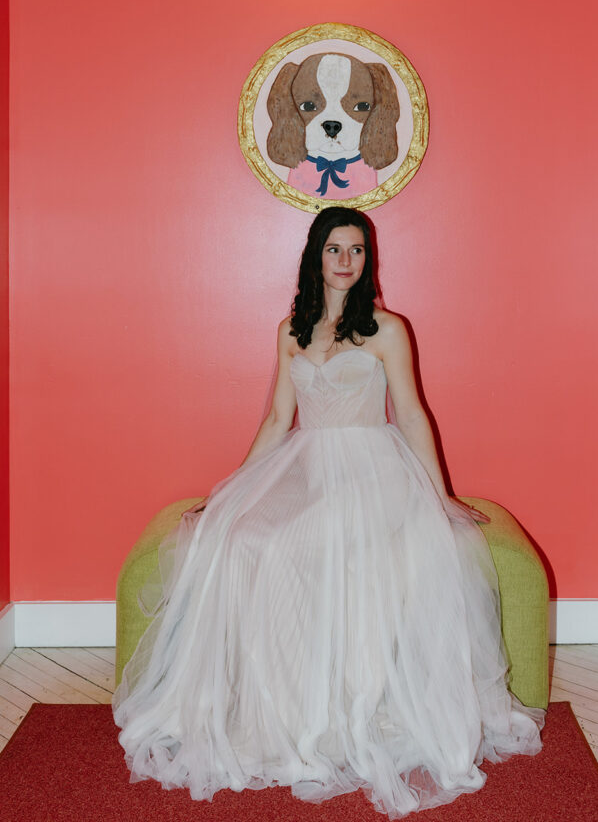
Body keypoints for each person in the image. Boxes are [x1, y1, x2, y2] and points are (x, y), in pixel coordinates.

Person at [112, 206, 545, 818]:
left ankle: (320, 719)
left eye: (358, 250)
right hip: (308, 470)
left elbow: (412, 414)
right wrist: (230, 490)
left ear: (369, 260)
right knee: (238, 539)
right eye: (336, 249)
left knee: (290, 549)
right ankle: (274, 710)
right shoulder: (291, 330)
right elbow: (275, 420)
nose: (347, 261)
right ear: (316, 256)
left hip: (374, 474)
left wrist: (441, 494)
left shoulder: (388, 329)